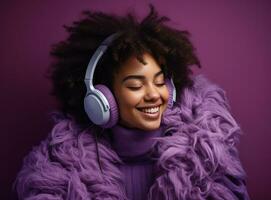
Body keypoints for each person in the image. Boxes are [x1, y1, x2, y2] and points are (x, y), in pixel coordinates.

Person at [15, 5, 250, 200]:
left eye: (159, 82)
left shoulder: (208, 163)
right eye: (136, 86)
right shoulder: (60, 171)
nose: (153, 95)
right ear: (102, 97)